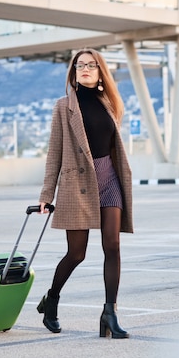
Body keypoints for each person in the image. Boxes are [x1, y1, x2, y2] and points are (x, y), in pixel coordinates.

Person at [36, 48, 133, 339]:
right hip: (77, 184)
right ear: (74, 73)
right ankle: (51, 300)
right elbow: (54, 153)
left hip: (109, 180)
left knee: (112, 246)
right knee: (76, 253)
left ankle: (109, 313)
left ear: (101, 71)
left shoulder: (109, 103)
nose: (86, 69)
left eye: (92, 65)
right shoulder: (63, 107)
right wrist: (46, 195)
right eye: (80, 66)